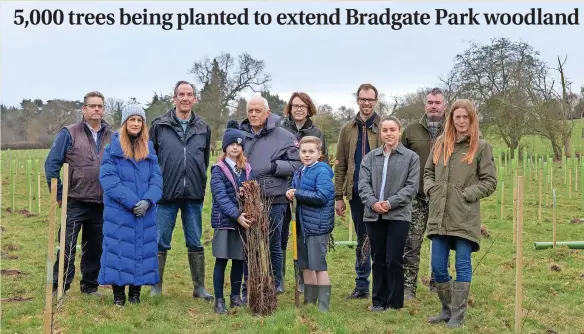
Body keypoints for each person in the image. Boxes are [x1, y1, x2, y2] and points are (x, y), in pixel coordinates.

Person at [424, 99, 497, 327]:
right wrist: (431, 189)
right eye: (458, 117)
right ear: (451, 119)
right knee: (437, 266)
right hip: (440, 213)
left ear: (472, 119)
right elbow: (427, 172)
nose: (462, 121)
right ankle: (446, 309)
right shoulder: (440, 144)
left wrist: (467, 193)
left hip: (465, 214)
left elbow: (490, 181)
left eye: (466, 117)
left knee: (462, 263)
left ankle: (458, 315)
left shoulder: (481, 146)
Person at [148, 80, 213, 301]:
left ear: (194, 99)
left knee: (195, 240)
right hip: (165, 194)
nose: (186, 98)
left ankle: (199, 288)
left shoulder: (203, 127)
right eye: (181, 94)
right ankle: (155, 286)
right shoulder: (159, 125)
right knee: (160, 240)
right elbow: (151, 159)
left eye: (190, 94)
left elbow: (204, 161)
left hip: (193, 194)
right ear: (174, 98)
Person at [45, 91, 113, 296]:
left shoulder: (112, 135)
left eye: (100, 106)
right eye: (92, 106)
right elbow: (51, 165)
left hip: (101, 202)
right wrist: (59, 195)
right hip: (74, 200)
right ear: (83, 109)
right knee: (67, 245)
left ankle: (90, 286)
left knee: (95, 248)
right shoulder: (69, 133)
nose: (96, 109)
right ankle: (60, 285)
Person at [98, 105, 163, 306]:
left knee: (141, 250)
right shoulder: (112, 150)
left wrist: (148, 200)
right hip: (120, 211)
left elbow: (157, 180)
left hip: (146, 211)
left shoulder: (149, 151)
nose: (136, 124)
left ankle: (135, 294)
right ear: (125, 123)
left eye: (139, 120)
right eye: (132, 120)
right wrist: (133, 202)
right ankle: (119, 296)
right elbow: (109, 180)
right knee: (119, 250)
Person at [239, 95, 302, 301]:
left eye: (258, 111)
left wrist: (275, 167)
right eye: (251, 111)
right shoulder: (242, 136)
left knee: (274, 242)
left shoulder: (284, 136)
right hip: (248, 198)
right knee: (250, 244)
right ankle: (251, 280)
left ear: (267, 113)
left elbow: (297, 163)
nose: (254, 114)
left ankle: (277, 281)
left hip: (274, 197)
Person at [358, 116, 420, 311]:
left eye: (392, 129)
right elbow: (363, 185)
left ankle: (394, 304)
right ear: (381, 133)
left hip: (398, 215)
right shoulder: (370, 158)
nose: (389, 133)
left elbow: (411, 187)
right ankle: (378, 301)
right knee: (378, 258)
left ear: (399, 131)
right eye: (385, 130)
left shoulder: (411, 158)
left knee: (394, 259)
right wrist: (373, 203)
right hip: (373, 214)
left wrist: (390, 203)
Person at [334, 83, 383, 300]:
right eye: (363, 99)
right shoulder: (347, 129)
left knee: (380, 239)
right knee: (363, 238)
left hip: (380, 194)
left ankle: (382, 285)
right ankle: (362, 285)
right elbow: (341, 164)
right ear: (357, 100)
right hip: (355, 193)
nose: (366, 103)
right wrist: (338, 196)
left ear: (376, 100)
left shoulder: (384, 127)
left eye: (370, 99)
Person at [279, 92, 329, 293]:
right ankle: (279, 279)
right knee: (283, 236)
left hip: (308, 194)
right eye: (295, 105)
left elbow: (322, 165)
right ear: (290, 108)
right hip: (284, 190)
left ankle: (303, 282)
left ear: (309, 109)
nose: (298, 109)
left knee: (303, 237)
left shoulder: (317, 133)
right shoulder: (281, 130)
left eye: (303, 106)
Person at [400, 87, 447, 299]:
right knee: (412, 242)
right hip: (417, 197)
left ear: (444, 105)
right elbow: (400, 160)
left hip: (444, 198)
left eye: (437, 102)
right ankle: (408, 286)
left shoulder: (453, 129)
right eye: (430, 102)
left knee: (441, 242)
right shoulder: (411, 131)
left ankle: (439, 284)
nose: (433, 106)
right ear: (425, 105)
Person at [286, 136, 334, 312]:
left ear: (319, 153)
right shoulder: (301, 171)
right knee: (305, 264)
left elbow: (321, 197)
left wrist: (297, 193)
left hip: (317, 226)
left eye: (311, 151)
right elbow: (296, 190)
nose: (307, 155)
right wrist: (291, 193)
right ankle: (309, 299)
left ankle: (323, 304)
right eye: (304, 151)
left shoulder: (322, 171)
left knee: (318, 265)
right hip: (302, 226)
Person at [209, 120, 252, 314]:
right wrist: (236, 215)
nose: (235, 147)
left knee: (239, 260)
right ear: (225, 146)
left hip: (243, 222)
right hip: (225, 222)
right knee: (222, 260)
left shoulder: (246, 169)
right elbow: (221, 197)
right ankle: (219, 300)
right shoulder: (218, 170)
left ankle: (235, 296)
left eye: (239, 144)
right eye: (232, 144)